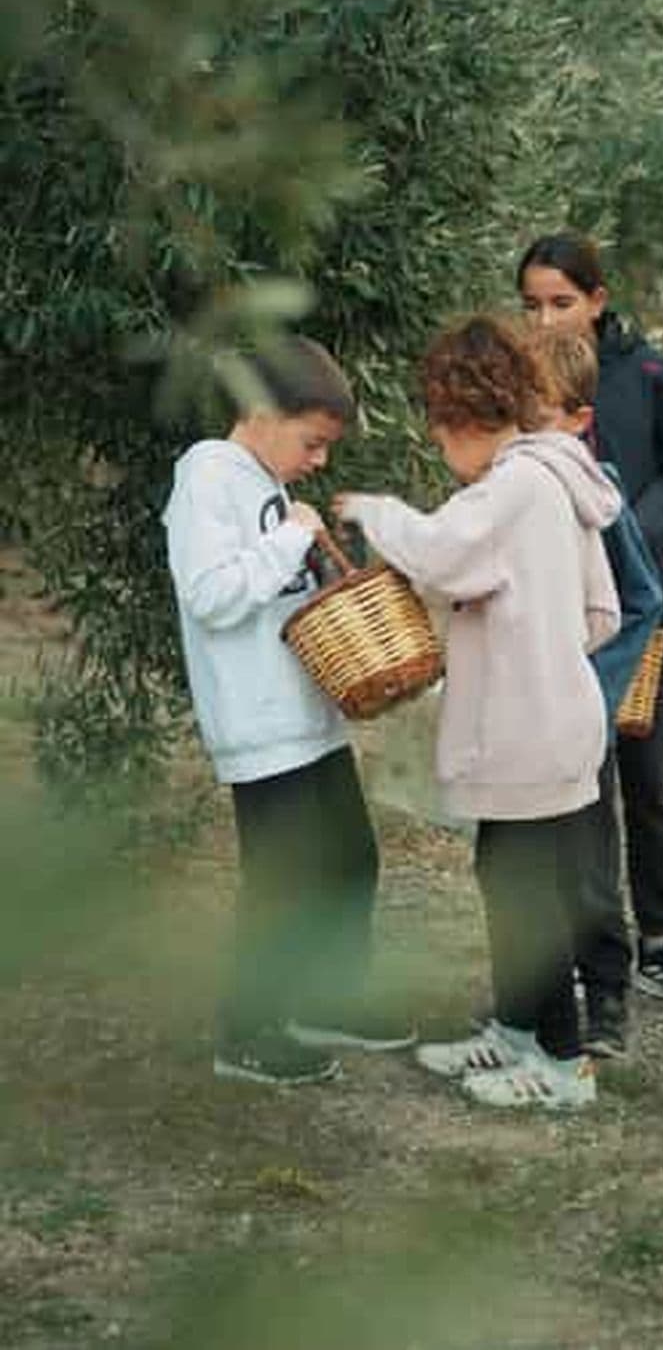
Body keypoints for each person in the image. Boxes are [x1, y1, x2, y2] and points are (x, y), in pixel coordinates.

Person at [334, 315, 622, 1111]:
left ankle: (564, 1067)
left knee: (528, 901)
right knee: (505, 879)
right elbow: (601, 612)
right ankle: (519, 1030)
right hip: (550, 720)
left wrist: (373, 510)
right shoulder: (556, 479)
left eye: (438, 429)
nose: (439, 447)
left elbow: (438, 552)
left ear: (461, 416)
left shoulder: (515, 486)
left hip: (529, 729)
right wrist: (533, 641)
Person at [163, 336, 415, 1087]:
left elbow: (292, 601)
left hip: (310, 718)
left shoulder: (268, 484)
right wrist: (289, 540)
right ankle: (248, 1033)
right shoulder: (207, 473)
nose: (320, 459)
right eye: (313, 441)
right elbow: (209, 594)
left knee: (350, 859)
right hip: (260, 724)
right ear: (264, 413)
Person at [516, 232, 663, 1038]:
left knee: (653, 789)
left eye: (561, 303)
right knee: (585, 798)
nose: (545, 320)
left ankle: (660, 943)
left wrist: (621, 532)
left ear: (598, 300)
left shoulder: (651, 377)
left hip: (647, 617)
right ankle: (595, 967)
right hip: (559, 627)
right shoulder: (518, 380)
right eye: (532, 305)